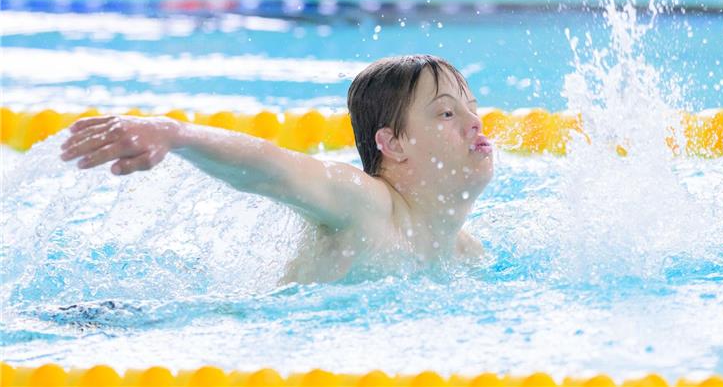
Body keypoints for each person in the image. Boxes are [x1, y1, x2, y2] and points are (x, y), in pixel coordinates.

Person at [60, 55, 494, 284]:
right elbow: (270, 166)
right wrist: (174, 133)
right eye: (447, 113)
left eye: (471, 108)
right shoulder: (367, 203)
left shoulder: (465, 253)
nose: (474, 122)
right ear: (393, 143)